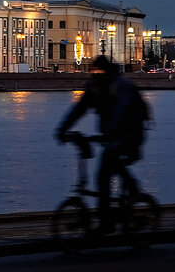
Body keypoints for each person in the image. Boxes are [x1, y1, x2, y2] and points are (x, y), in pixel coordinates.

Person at [56, 55, 148, 231]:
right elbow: (78, 109)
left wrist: (110, 132)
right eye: (93, 72)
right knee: (104, 170)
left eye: (99, 72)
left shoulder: (121, 86)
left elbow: (122, 111)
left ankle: (125, 197)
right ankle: (108, 216)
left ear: (107, 73)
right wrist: (61, 130)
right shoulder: (94, 88)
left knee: (106, 165)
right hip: (111, 134)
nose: (95, 76)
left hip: (132, 134)